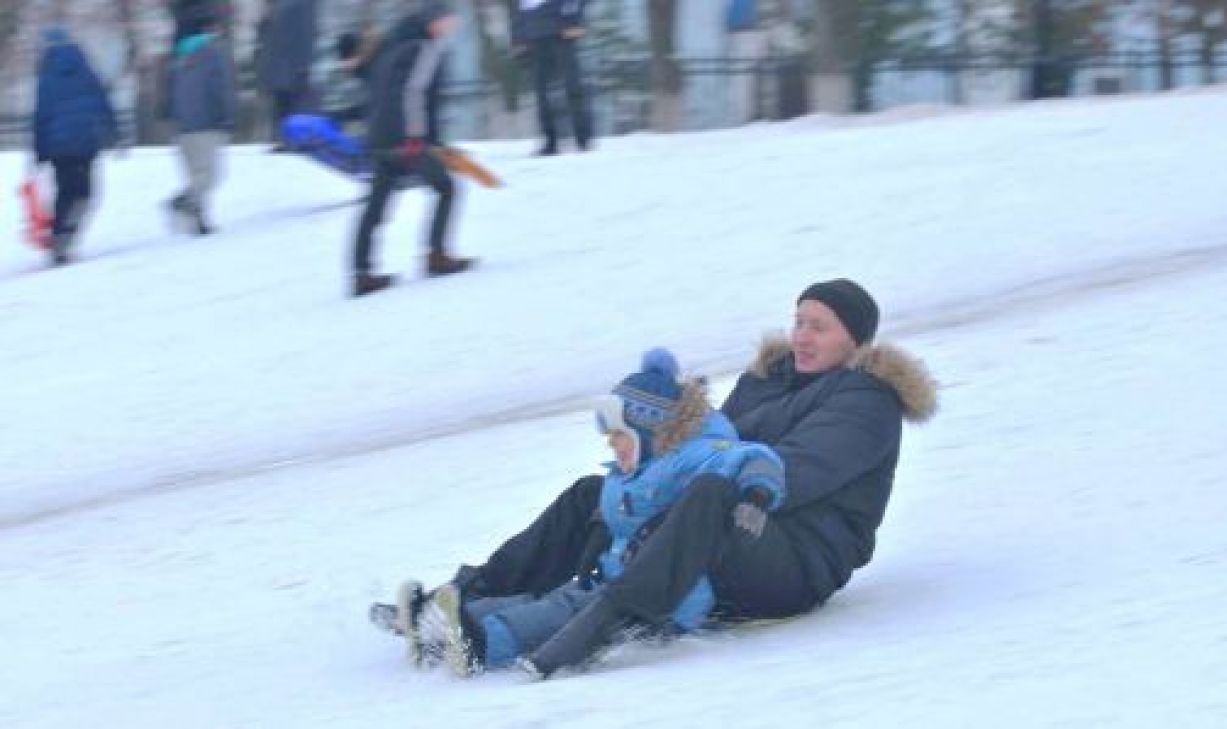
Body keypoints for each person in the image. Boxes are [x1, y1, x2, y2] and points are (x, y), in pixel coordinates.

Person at [386, 279, 937, 678]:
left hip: (793, 561)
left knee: (709, 492)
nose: (801, 335)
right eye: (798, 321)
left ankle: (596, 621)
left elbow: (791, 476)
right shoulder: (767, 379)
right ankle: (462, 598)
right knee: (593, 495)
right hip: (723, 525)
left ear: (855, 342)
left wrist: (680, 494)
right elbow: (711, 444)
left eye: (819, 327)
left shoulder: (866, 400)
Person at [385, 347, 786, 677]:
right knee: (552, 598)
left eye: (619, 436)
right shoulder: (644, 464)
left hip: (664, 598)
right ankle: (442, 625)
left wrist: (756, 496)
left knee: (561, 611)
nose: (612, 445)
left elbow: (753, 458)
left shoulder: (694, 455)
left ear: (651, 432)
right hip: (613, 575)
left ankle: (478, 643)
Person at [349, 1, 474, 297]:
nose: (450, 27)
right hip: (406, 139)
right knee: (446, 188)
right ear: (434, 22)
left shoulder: (390, 45)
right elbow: (413, 92)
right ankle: (437, 255)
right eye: (447, 21)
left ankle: (361, 273)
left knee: (375, 205)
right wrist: (418, 137)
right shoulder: (424, 47)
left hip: (379, 137)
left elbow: (372, 84)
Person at [32, 26, 120, 266]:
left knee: (65, 192)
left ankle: (60, 236)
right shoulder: (85, 68)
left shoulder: (46, 75)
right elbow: (102, 100)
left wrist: (39, 151)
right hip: (85, 140)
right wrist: (114, 131)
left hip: (59, 146)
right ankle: (66, 235)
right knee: (85, 192)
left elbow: (41, 115)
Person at [161, 17, 236, 236]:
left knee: (195, 174)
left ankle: (199, 222)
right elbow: (220, 87)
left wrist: (170, 117)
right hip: (207, 123)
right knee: (210, 176)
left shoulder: (177, 57)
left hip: (183, 126)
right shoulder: (212, 53)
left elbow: (167, 91)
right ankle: (183, 201)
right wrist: (226, 117)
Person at [513, 0, 594, 156]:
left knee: (573, 87)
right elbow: (520, 9)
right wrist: (518, 37)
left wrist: (573, 19)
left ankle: (582, 138)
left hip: (563, 31)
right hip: (536, 35)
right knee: (542, 92)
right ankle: (550, 141)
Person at [256, 0, 317, 151]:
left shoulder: (300, 5)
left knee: (292, 105)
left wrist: (304, 64)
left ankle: (292, 140)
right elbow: (266, 37)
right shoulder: (277, 7)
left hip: (291, 67)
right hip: (278, 67)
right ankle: (283, 139)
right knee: (280, 105)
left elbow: (306, 32)